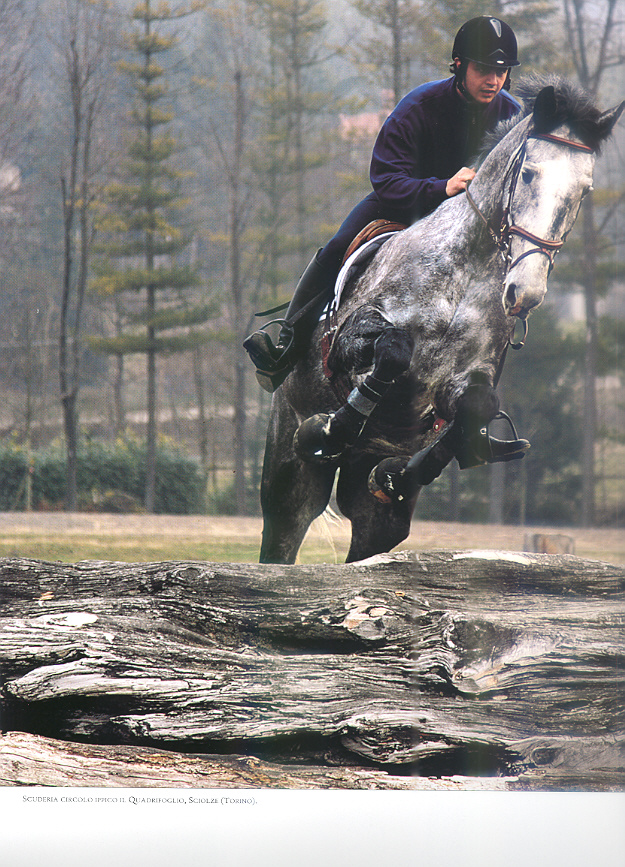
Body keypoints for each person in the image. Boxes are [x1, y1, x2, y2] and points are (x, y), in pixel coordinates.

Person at [245, 17, 522, 403]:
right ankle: (285, 345)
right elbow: (387, 180)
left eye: (501, 71)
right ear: (458, 65)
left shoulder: (513, 116)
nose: (494, 80)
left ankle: (480, 406)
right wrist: (441, 188)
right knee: (339, 245)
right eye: (484, 70)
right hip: (402, 207)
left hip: (467, 226)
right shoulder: (420, 106)